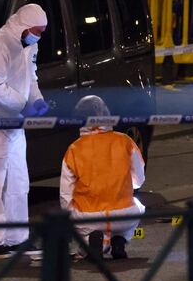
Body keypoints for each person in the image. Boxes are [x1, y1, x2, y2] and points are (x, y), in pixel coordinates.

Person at [0, 3, 49, 259]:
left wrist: (36, 100)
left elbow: (31, 77)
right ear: (24, 26)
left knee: (17, 179)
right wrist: (22, 104)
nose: (39, 36)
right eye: (37, 31)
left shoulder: (28, 44)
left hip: (13, 120)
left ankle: (16, 237)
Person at [60, 95, 145, 260]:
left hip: (88, 217)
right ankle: (120, 239)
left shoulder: (73, 149)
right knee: (139, 205)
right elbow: (139, 180)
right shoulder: (125, 141)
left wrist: (71, 219)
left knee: (86, 236)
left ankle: (93, 243)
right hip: (124, 215)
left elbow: (65, 194)